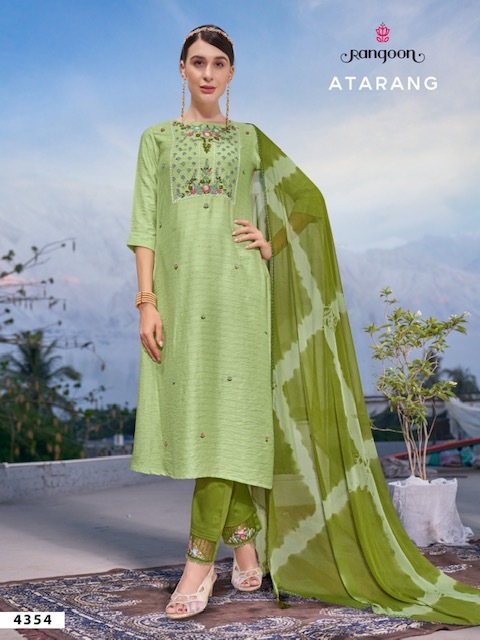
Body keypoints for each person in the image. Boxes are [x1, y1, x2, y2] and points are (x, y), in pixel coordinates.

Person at [128, 25, 480, 623]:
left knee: (229, 421)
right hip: (180, 295)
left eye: (218, 64)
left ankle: (198, 562)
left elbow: (307, 201)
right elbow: (144, 223)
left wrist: (271, 243)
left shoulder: (249, 139)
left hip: (240, 293)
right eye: (197, 63)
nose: (208, 73)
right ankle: (244, 540)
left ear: (232, 73)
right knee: (200, 420)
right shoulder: (155, 139)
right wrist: (147, 301)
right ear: (181, 70)